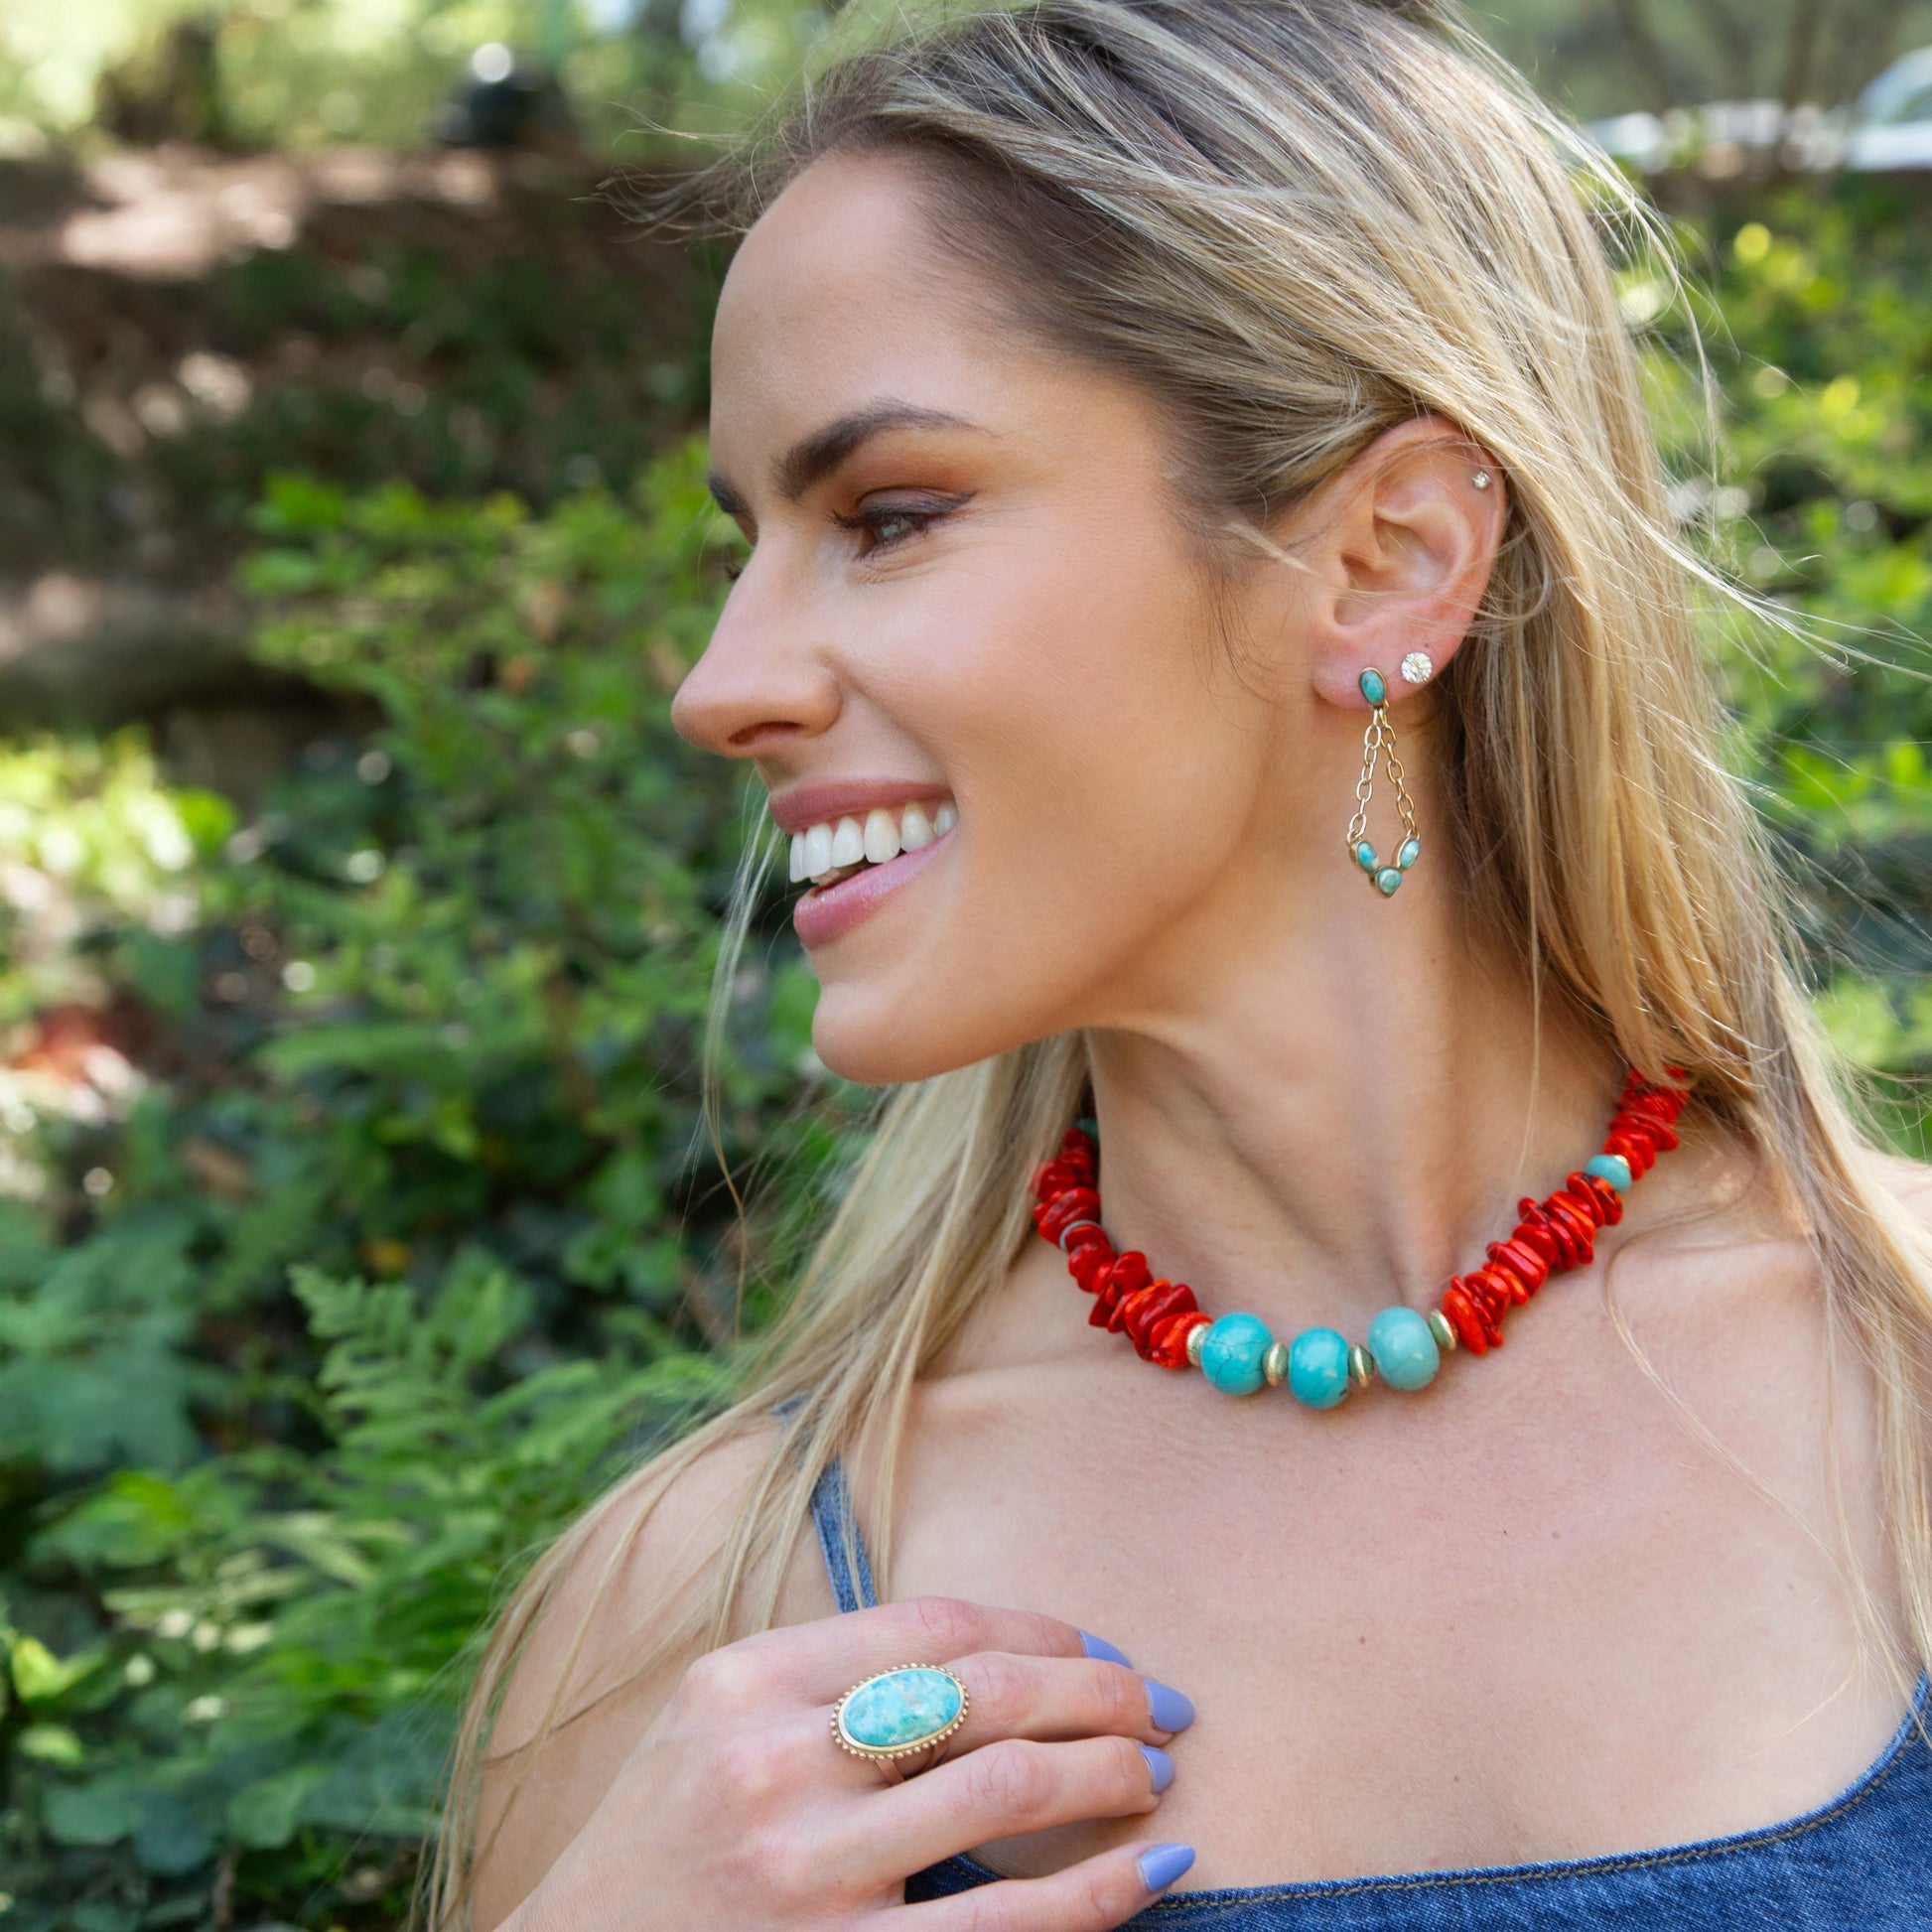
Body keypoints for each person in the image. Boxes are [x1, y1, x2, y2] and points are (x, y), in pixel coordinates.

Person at [432, 4, 1932, 1927]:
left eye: (887, 515)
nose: (722, 685)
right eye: (746, 545)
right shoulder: (701, 1620)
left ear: (1387, 558)